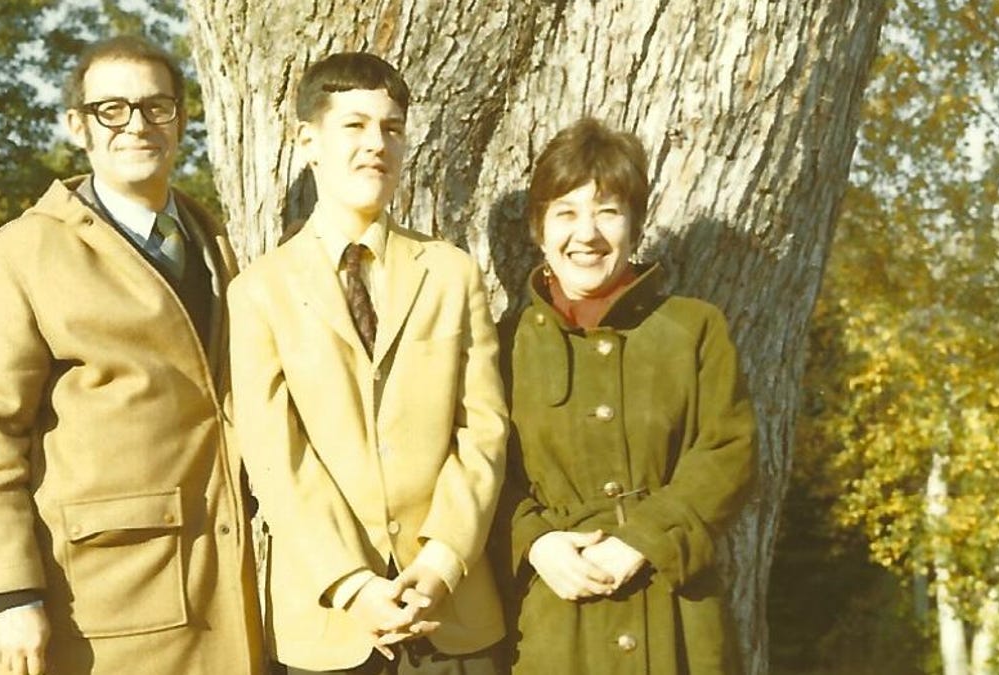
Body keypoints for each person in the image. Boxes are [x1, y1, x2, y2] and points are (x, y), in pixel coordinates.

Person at [0, 35, 263, 675]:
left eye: (156, 107)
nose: (137, 125)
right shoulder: (19, 256)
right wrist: (10, 595)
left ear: (181, 119)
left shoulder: (219, 243)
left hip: (236, 582)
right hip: (107, 599)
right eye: (111, 110)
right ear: (78, 126)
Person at [228, 52, 509, 674]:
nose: (376, 144)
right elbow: (276, 458)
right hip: (329, 620)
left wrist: (442, 560)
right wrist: (354, 584)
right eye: (353, 125)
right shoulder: (259, 291)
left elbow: (483, 431)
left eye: (391, 128)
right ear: (309, 141)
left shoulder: (451, 274)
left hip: (451, 611)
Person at [501, 118, 757, 673]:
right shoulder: (504, 344)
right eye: (566, 213)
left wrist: (644, 540)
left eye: (608, 212)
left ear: (635, 226)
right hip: (554, 618)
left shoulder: (693, 329)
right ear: (538, 229)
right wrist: (536, 542)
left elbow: (728, 453)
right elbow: (480, 470)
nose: (587, 234)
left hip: (676, 614)